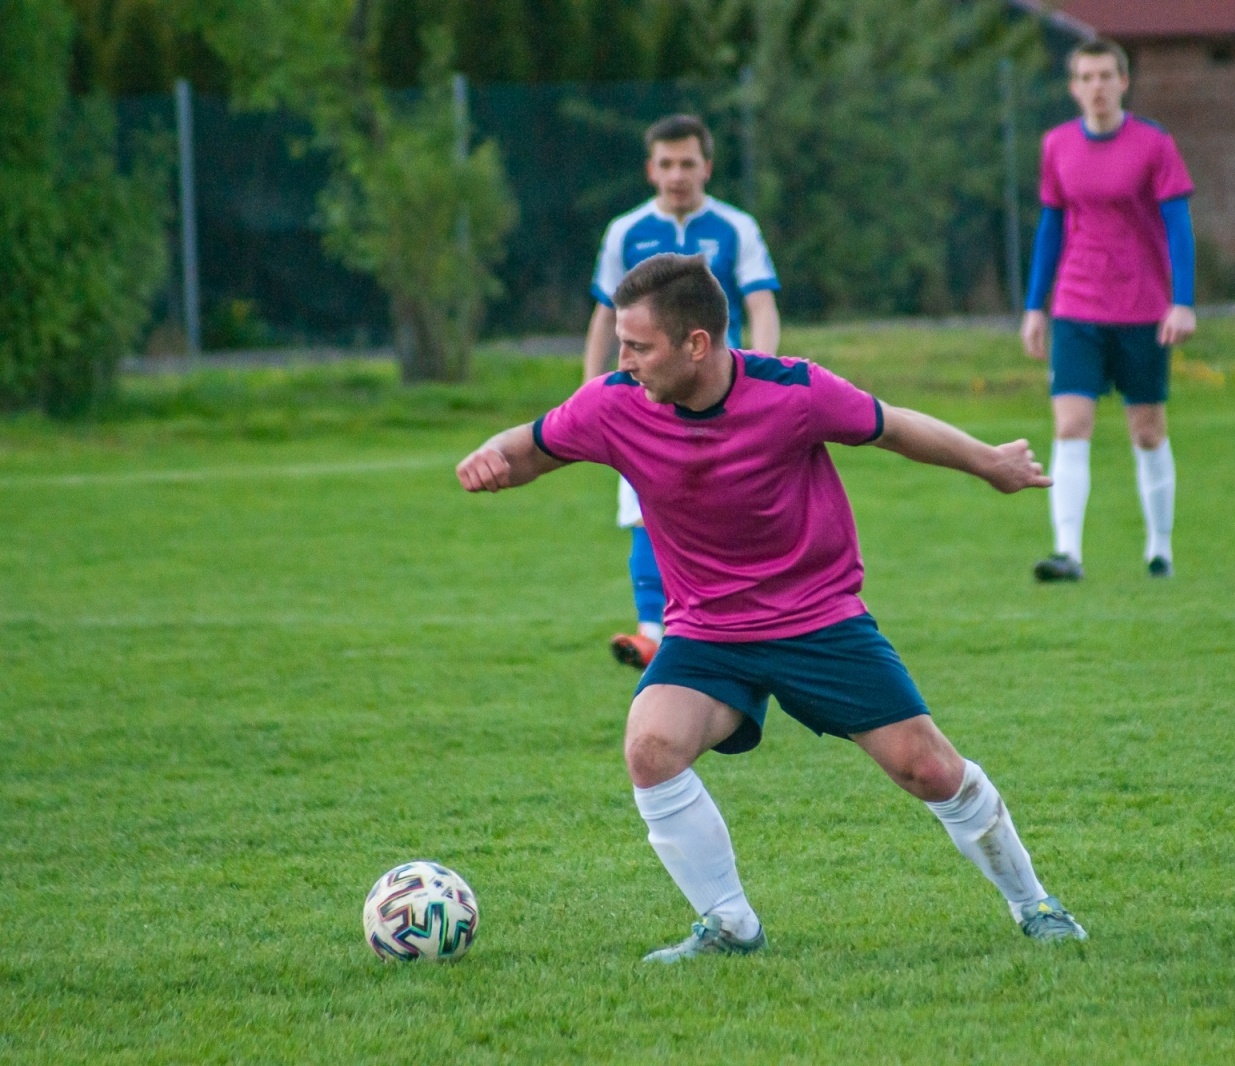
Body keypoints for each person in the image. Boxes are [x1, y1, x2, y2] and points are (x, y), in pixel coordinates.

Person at [458, 254, 1088, 961]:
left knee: (927, 768)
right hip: (707, 630)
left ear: (696, 343)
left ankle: (1035, 904)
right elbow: (532, 446)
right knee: (651, 747)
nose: (622, 360)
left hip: (817, 619)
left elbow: (895, 426)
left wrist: (989, 462)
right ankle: (730, 926)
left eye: (638, 347)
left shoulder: (793, 392)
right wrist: (492, 456)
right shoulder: (614, 405)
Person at [584, 114, 781, 670]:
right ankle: (653, 633)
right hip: (645, 394)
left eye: (687, 163)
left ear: (707, 167)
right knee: (645, 507)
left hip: (720, 395)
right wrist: (591, 389)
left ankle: (742, 622)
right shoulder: (626, 232)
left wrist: (761, 373)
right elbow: (604, 315)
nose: (677, 175)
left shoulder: (735, 228)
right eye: (666, 164)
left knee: (731, 507)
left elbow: (761, 304)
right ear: (650, 169)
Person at [1020, 38, 1197, 582]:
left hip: (1142, 309)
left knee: (1146, 429)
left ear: (1123, 82)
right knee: (1071, 425)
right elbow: (1051, 228)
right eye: (1086, 77)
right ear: (1073, 88)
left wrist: (1182, 301)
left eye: (1105, 76)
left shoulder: (1153, 144)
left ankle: (1159, 550)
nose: (1096, 87)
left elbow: (1177, 227)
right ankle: (1068, 553)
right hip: (1077, 306)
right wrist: (1035, 307)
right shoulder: (1056, 146)